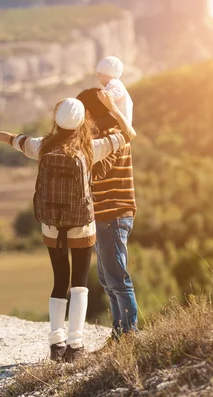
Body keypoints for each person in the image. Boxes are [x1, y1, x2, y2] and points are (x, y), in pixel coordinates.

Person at [0, 92, 136, 363]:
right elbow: (129, 133)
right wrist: (112, 107)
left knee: (59, 282)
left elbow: (10, 138)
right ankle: (76, 344)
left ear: (57, 120)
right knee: (79, 285)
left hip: (51, 226)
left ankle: (56, 344)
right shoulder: (92, 148)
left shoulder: (43, 146)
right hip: (82, 226)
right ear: (82, 121)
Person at [76, 88, 139, 339]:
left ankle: (129, 334)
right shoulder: (108, 136)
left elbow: (97, 171)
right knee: (107, 279)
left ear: (89, 113)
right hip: (105, 216)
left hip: (111, 215)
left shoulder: (112, 138)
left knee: (117, 279)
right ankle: (119, 334)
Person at [96, 56, 134, 126]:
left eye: (99, 75)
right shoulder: (114, 84)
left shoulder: (114, 82)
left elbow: (118, 92)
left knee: (96, 124)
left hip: (118, 119)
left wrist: (105, 94)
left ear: (108, 74)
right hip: (119, 119)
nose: (99, 79)